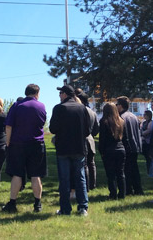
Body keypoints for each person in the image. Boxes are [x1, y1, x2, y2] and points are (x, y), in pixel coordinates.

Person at [2, 84, 47, 213]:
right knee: (36, 175)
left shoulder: (17, 106)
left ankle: (12, 203)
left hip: (18, 144)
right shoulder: (41, 106)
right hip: (37, 143)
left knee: (17, 174)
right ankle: (37, 204)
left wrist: (8, 143)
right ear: (37, 93)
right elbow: (42, 122)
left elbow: (9, 126)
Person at [50, 85, 92, 216]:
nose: (59, 95)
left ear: (65, 94)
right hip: (79, 148)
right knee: (80, 178)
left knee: (64, 180)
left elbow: (52, 129)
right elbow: (87, 130)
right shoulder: (82, 108)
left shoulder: (59, 108)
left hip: (63, 148)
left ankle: (65, 209)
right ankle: (83, 207)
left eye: (60, 93)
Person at [116, 96, 144, 195]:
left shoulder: (121, 118)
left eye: (117, 104)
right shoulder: (133, 116)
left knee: (126, 170)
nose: (116, 106)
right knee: (134, 169)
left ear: (121, 106)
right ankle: (138, 189)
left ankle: (128, 189)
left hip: (127, 146)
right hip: (135, 146)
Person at [98, 102, 126, 200]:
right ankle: (122, 194)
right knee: (120, 173)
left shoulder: (104, 121)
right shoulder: (121, 121)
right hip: (120, 149)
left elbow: (102, 139)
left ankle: (113, 194)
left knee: (111, 174)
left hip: (109, 150)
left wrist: (101, 151)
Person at [76, 88, 99, 191]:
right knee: (91, 163)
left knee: (84, 164)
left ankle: (86, 186)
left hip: (81, 139)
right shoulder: (92, 112)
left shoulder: (80, 111)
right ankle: (93, 184)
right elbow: (96, 128)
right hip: (91, 139)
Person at [141, 110, 153, 176]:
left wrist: (142, 133)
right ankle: (149, 171)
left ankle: (150, 172)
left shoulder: (151, 122)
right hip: (144, 142)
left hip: (149, 142)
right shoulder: (144, 122)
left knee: (149, 159)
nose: (144, 115)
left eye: (145, 114)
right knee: (147, 158)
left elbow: (149, 130)